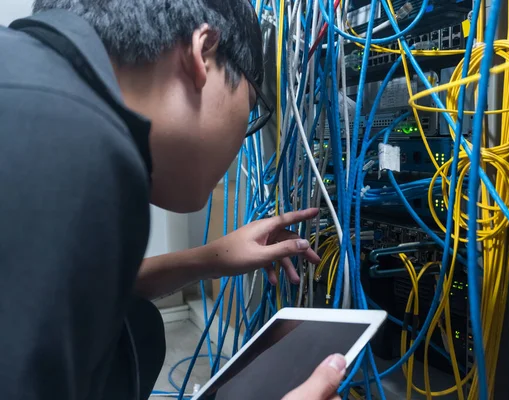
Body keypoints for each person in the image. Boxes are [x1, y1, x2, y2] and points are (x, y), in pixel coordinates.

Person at [0, 0, 346, 399]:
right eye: (252, 109)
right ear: (203, 55)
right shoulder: (82, 144)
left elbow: (63, 297)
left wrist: (207, 259)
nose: (241, 139)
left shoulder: (35, 93)